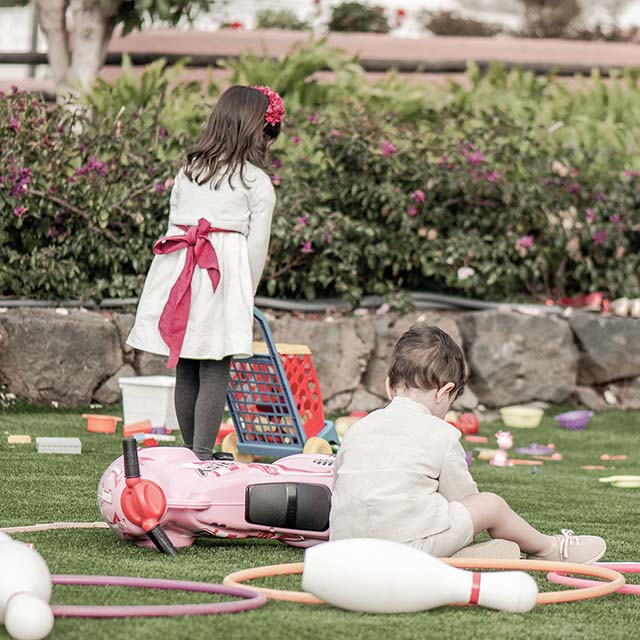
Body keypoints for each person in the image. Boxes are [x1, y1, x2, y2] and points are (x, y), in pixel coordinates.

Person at [330, 323, 606, 562]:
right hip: (406, 550)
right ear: (445, 392)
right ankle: (547, 548)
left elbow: (339, 483)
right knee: (490, 505)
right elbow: (465, 500)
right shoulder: (441, 433)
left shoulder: (359, 428)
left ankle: (467, 556)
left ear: (390, 386)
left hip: (345, 548)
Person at [127, 85, 283, 460]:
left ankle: (188, 451)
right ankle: (202, 455)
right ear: (256, 130)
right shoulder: (256, 183)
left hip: (179, 272)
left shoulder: (189, 170)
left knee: (187, 365)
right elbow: (254, 250)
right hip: (221, 279)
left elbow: (172, 225)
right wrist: (245, 297)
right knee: (215, 367)